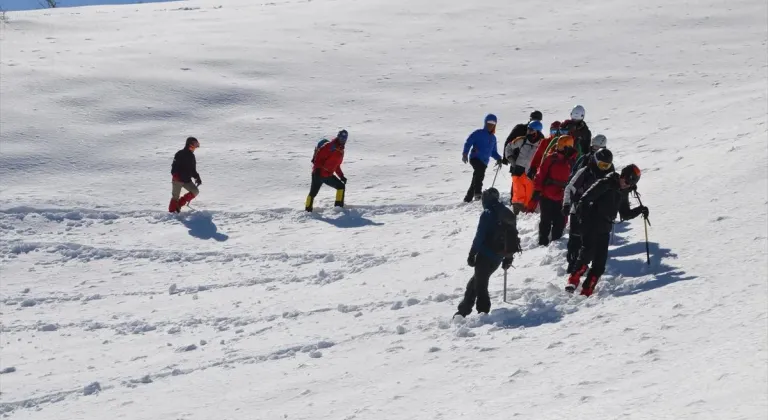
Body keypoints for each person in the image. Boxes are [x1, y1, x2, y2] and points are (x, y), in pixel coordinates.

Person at [566, 164, 649, 296]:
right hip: (591, 223)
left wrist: (640, 210)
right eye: (627, 181)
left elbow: (625, 213)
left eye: (630, 184)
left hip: (605, 228)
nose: (627, 185)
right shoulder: (606, 183)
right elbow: (584, 200)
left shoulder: (623, 192)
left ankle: (587, 290)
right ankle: (573, 280)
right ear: (622, 176)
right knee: (587, 253)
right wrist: (583, 221)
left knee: (600, 263)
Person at [455, 188, 520, 317]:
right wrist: (508, 257)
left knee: (480, 285)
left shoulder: (488, 213)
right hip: (498, 257)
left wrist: (472, 254)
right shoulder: (506, 212)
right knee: (475, 282)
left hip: (485, 256)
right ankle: (462, 311)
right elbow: (513, 236)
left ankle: (483, 313)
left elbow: (479, 236)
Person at [563, 148, 615, 273]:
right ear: (596, 161)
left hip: (596, 214)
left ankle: (583, 265)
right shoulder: (585, 172)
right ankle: (572, 264)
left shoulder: (609, 176)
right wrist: (566, 204)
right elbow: (570, 188)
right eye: (602, 165)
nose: (604, 168)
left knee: (590, 241)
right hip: (578, 211)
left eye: (606, 165)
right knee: (575, 238)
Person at [530, 135, 577, 246]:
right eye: (558, 146)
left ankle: (556, 243)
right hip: (546, 195)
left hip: (562, 197)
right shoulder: (550, 158)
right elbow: (540, 174)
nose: (558, 148)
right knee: (545, 220)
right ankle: (542, 241)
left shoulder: (572, 163)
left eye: (562, 146)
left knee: (559, 222)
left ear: (569, 148)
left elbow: (576, 180)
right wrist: (537, 190)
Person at [504, 120, 544, 213]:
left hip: (531, 171)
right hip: (518, 169)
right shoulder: (522, 140)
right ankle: (516, 212)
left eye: (531, 130)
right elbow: (508, 147)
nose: (528, 132)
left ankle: (528, 213)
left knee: (529, 194)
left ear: (537, 131)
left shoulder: (541, 143)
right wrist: (511, 159)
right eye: (528, 129)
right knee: (517, 194)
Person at [462, 114, 503, 202]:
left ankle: (468, 198)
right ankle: (478, 194)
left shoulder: (493, 138)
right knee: (479, 174)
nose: (490, 126)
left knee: (476, 177)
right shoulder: (478, 133)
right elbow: (468, 142)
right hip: (475, 158)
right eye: (489, 123)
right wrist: (465, 153)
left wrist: (499, 158)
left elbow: (493, 152)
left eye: (492, 124)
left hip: (484, 162)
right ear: (485, 123)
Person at [305, 130, 348, 212]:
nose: (343, 139)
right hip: (319, 173)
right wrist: (317, 170)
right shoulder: (330, 146)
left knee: (341, 186)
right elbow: (318, 157)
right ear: (338, 136)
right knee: (313, 193)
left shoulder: (341, 151)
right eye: (341, 137)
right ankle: (308, 211)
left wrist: (341, 176)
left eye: (345, 138)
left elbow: (336, 166)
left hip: (326, 175)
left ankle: (338, 208)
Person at [169, 136, 202, 213]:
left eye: (196, 144)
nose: (195, 146)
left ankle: (179, 204)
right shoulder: (180, 153)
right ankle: (172, 213)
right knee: (175, 197)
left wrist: (197, 177)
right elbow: (174, 166)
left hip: (187, 180)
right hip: (178, 179)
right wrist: (175, 175)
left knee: (195, 191)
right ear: (189, 144)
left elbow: (193, 170)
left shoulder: (192, 156)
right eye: (194, 143)